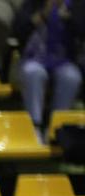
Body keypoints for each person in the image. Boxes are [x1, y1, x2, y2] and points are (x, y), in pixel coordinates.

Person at [13, 0, 83, 142]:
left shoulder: (76, 5)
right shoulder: (32, 4)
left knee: (71, 77)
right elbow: (18, 31)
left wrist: (70, 19)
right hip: (34, 58)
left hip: (64, 59)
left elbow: (81, 32)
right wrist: (43, 15)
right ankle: (34, 127)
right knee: (33, 73)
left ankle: (56, 128)